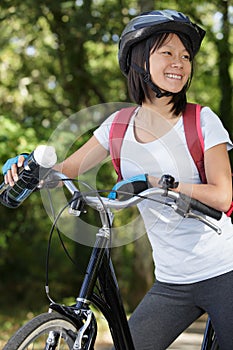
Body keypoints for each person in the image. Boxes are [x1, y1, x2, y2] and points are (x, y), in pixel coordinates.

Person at [3, 9, 233, 350]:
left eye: (185, 55)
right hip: (172, 282)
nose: (180, 62)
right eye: (167, 52)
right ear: (139, 60)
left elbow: (222, 195)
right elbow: (66, 170)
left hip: (224, 270)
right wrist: (29, 170)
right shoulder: (117, 127)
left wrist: (163, 183)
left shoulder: (202, 120)